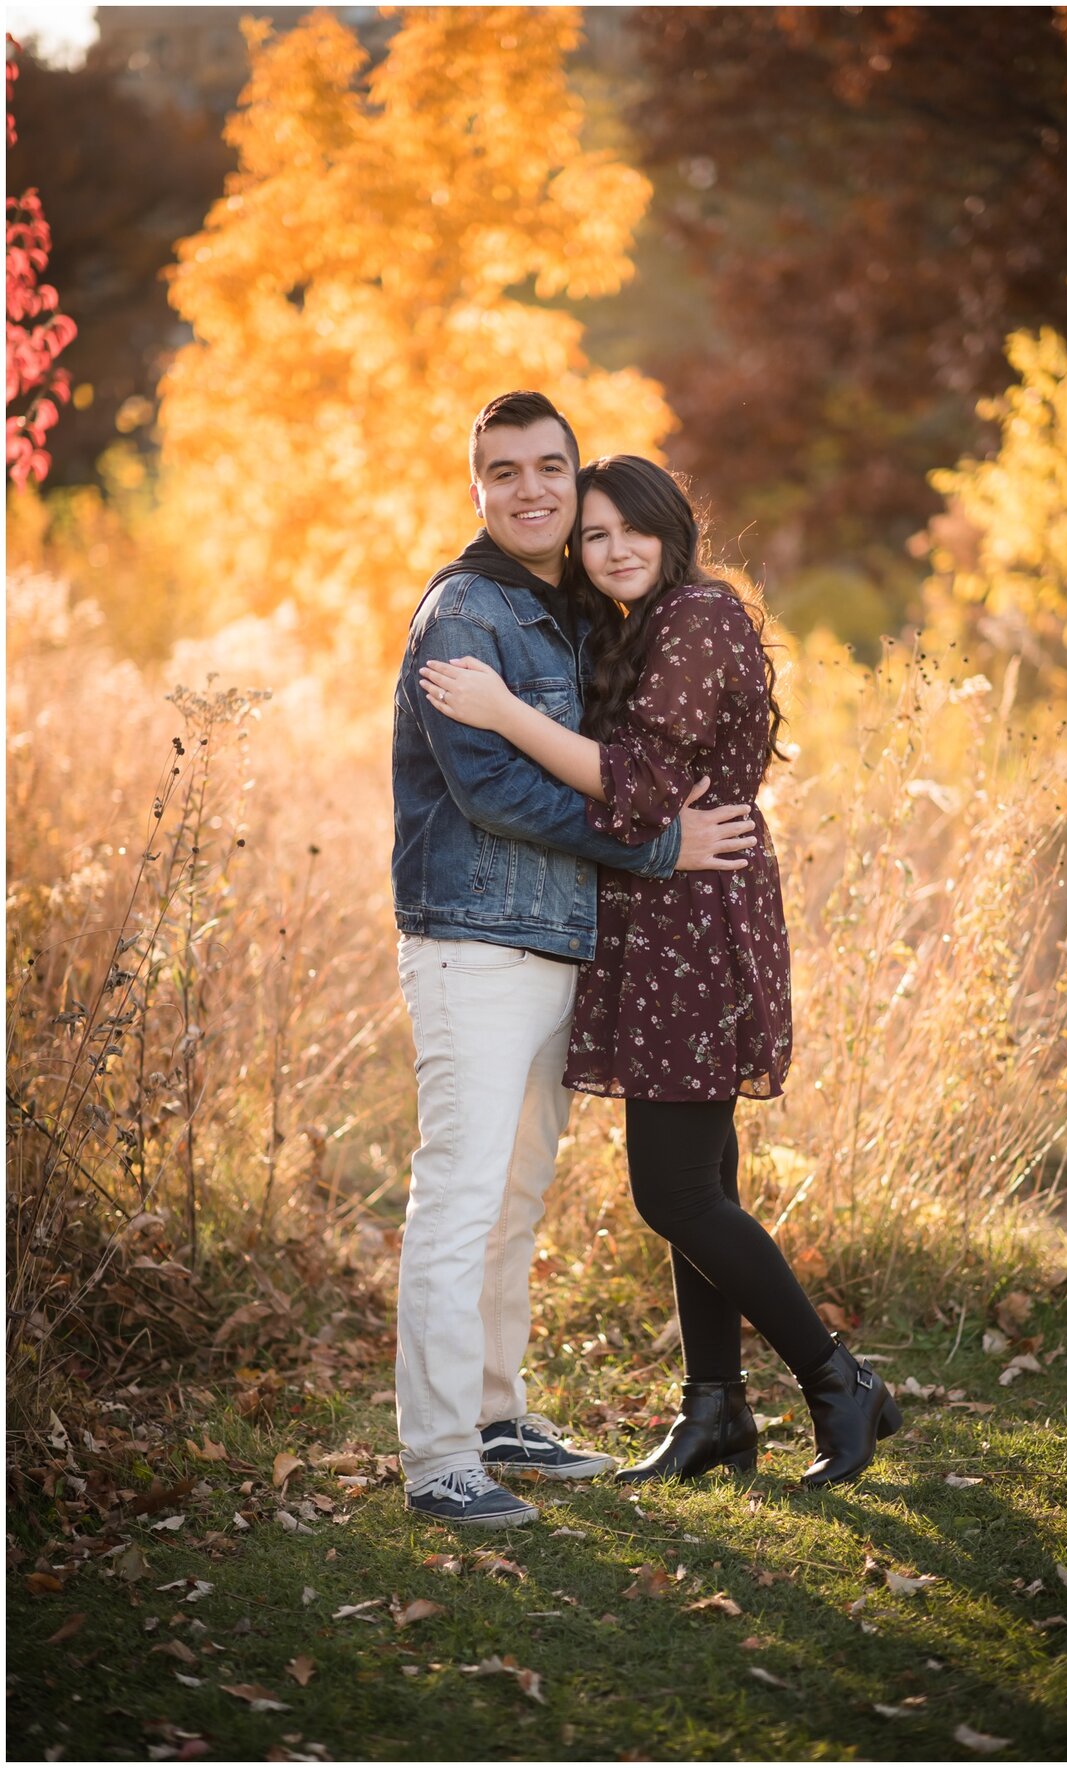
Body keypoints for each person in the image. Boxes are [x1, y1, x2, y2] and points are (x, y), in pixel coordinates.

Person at [420, 454, 901, 1491]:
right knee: (704, 1178)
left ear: (672, 529)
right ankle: (715, 1409)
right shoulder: (639, 627)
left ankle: (835, 1378)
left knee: (674, 1190)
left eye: (631, 528)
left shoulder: (699, 619)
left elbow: (635, 786)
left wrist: (502, 710)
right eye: (594, 537)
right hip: (651, 918)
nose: (613, 548)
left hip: (696, 922)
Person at [392, 391, 759, 1529]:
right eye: (506, 472)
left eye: (550, 465)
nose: (533, 489)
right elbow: (492, 789)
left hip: (560, 944)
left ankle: (498, 1414)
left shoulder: (573, 611)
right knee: (458, 1198)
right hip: (474, 945)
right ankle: (440, 1455)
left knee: (514, 1199)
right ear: (479, 491)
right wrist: (662, 846)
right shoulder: (466, 613)